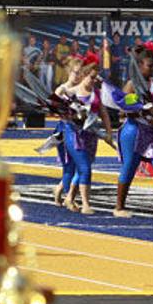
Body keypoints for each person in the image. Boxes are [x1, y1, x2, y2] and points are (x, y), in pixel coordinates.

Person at [116, 42, 153, 220]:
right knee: (130, 166)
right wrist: (143, 110)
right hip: (134, 131)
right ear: (140, 66)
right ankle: (119, 206)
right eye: (150, 66)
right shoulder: (132, 85)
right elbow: (122, 109)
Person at [60, 53, 113, 215]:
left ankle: (69, 197)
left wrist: (109, 132)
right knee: (85, 168)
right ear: (84, 76)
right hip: (74, 135)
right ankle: (86, 204)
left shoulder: (96, 93)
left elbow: (103, 114)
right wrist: (75, 115)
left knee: (84, 168)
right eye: (91, 77)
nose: (94, 81)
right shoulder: (71, 92)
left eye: (96, 79)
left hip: (91, 136)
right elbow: (61, 114)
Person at [52, 56, 85, 209]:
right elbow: (54, 109)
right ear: (69, 72)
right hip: (64, 130)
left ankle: (61, 190)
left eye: (80, 73)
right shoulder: (62, 89)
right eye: (75, 72)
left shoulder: (82, 88)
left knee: (80, 165)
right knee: (69, 166)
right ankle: (68, 197)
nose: (78, 76)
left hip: (80, 131)